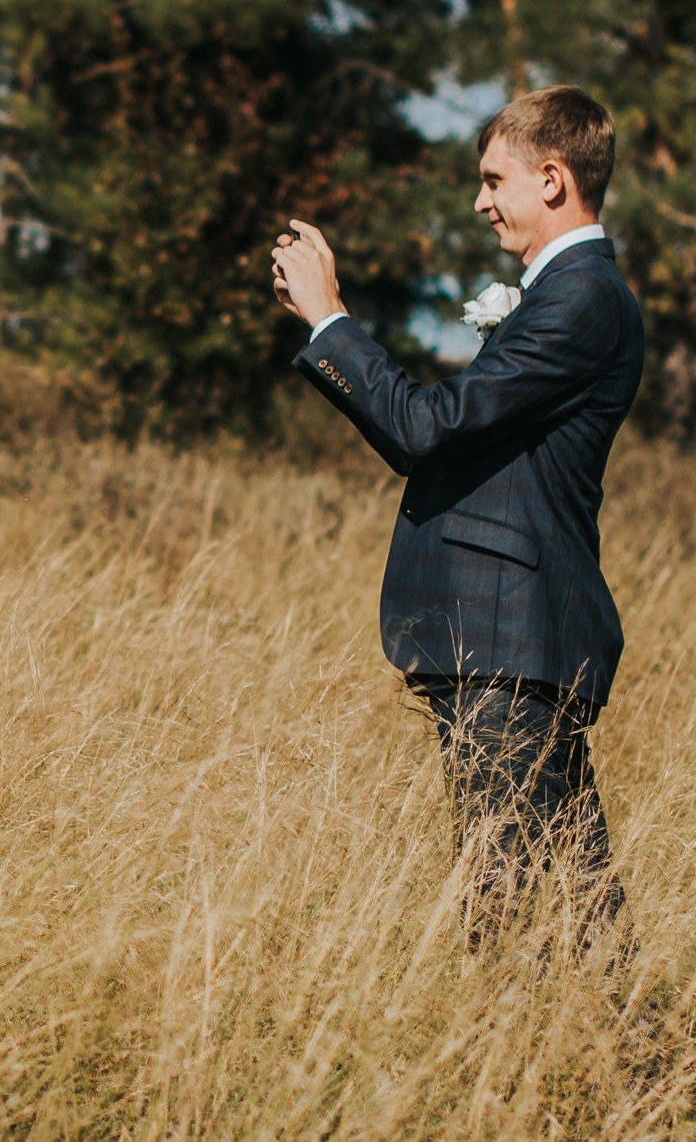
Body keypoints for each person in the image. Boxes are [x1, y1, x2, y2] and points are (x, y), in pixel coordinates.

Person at [269, 85, 643, 942]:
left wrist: (330, 320)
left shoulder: (581, 297)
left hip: (508, 642)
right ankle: (638, 1067)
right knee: (580, 908)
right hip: (511, 641)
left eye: (493, 179)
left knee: (504, 908)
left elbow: (425, 428)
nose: (479, 200)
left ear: (553, 179)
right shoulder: (568, 295)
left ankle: (515, 1065)